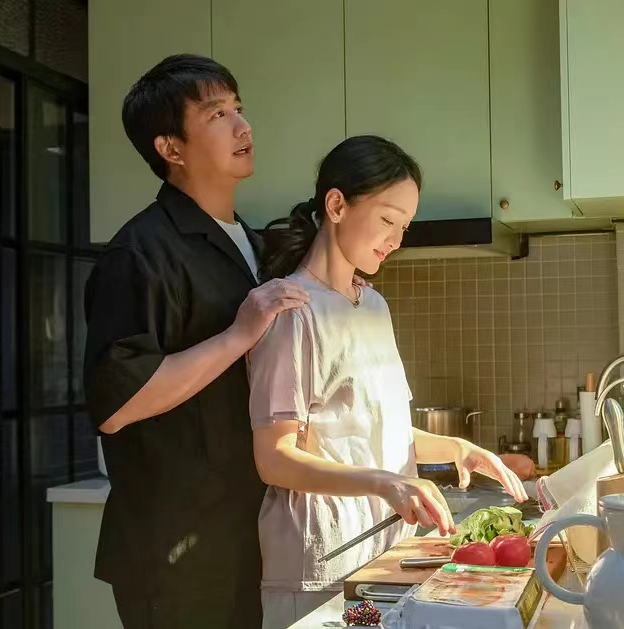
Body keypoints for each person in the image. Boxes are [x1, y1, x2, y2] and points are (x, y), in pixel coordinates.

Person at [83, 54, 370, 628]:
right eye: (217, 114)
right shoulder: (139, 253)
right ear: (171, 147)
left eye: (239, 109)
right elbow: (117, 405)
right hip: (177, 552)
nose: (243, 126)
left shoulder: (254, 244)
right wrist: (239, 333)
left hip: (247, 536)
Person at [247, 135, 530, 628]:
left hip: (384, 557)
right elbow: (274, 458)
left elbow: (373, 428)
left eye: (404, 226)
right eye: (387, 220)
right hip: (319, 568)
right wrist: (385, 482)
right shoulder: (291, 310)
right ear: (336, 205)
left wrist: (457, 448)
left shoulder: (373, 305)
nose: (397, 239)